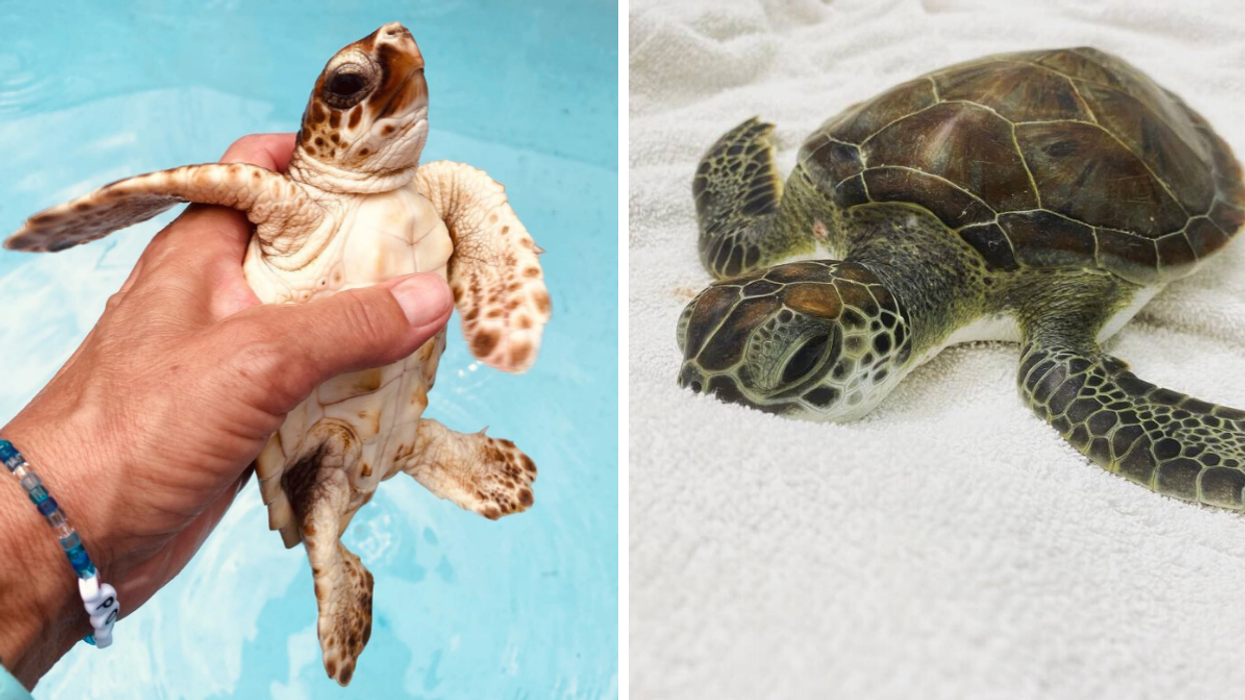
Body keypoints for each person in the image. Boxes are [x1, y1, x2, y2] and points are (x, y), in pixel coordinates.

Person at [0, 134, 453, 691]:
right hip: (315, 432)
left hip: (383, 399)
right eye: (350, 86)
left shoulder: (443, 189)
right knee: (324, 516)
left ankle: (424, 450)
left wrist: (38, 555)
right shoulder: (292, 199)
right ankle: (333, 564)